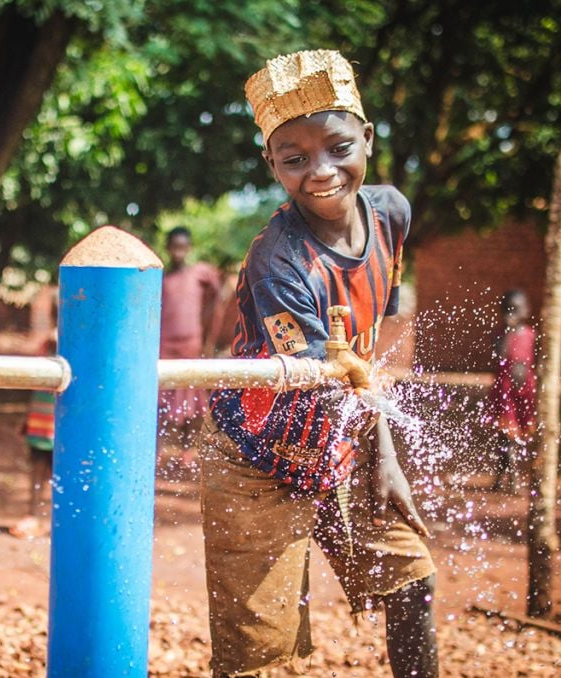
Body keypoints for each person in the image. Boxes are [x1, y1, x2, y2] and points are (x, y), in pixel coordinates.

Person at [201, 50, 438, 677]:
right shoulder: (277, 261)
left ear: (366, 137)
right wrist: (385, 455)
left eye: (337, 148)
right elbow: (327, 383)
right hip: (254, 454)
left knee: (410, 580)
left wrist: (381, 459)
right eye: (295, 159)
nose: (321, 172)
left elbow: (360, 352)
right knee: (257, 647)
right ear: (271, 164)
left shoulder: (390, 213)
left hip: (343, 434)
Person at [158, 226, 220, 467]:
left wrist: (205, 330)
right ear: (168, 248)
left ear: (189, 248)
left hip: (190, 342)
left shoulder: (199, 273)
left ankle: (186, 451)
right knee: (161, 396)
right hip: (165, 343)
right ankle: (158, 449)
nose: (179, 253)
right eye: (175, 247)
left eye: (183, 248)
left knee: (190, 398)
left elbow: (216, 295)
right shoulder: (162, 278)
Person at [10, 283, 57, 540]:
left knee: (49, 471)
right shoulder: (48, 342)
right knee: (40, 468)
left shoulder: (58, 341)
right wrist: (28, 417)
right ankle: (35, 516)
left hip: (55, 421)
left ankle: (44, 518)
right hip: (41, 419)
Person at [485, 289, 536, 494]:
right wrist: (507, 332)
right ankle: (509, 479)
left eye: (516, 309)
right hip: (504, 390)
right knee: (505, 436)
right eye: (509, 310)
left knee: (515, 437)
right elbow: (499, 355)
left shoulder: (530, 334)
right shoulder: (500, 334)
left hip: (524, 391)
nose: (512, 314)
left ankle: (505, 478)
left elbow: (534, 362)